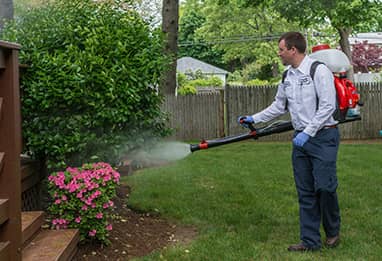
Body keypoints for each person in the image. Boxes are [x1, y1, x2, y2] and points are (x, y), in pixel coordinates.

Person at [238, 32, 341, 251]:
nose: (279, 53)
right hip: (301, 141)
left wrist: (309, 132)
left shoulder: (318, 70)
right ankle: (310, 241)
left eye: (281, 49)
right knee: (305, 192)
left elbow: (328, 106)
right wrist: (253, 118)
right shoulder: (287, 76)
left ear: (293, 50)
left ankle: (332, 231)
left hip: (323, 137)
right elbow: (278, 106)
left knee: (324, 187)